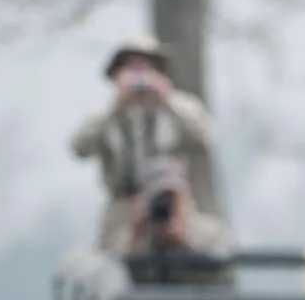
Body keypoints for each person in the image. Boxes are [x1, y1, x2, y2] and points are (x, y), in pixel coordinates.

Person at [70, 34, 225, 257]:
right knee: (115, 258)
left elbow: (205, 136)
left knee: (210, 246)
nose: (141, 78)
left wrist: (166, 99)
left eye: (148, 68)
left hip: (175, 204)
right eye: (132, 69)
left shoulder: (177, 110)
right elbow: (79, 147)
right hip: (122, 205)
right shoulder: (106, 117)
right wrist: (117, 105)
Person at [119, 157, 233, 286]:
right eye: (159, 198)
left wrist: (184, 242)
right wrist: (136, 238)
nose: (165, 205)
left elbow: (222, 263)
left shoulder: (213, 231)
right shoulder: (140, 237)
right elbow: (123, 277)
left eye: (171, 197)